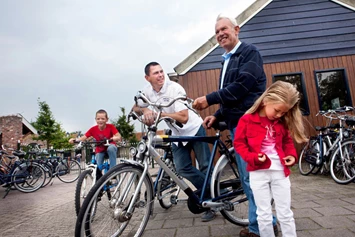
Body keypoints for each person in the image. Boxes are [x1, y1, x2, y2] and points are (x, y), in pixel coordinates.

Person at [193, 14, 278, 237]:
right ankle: (269, 222)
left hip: (249, 124)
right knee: (249, 177)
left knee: (251, 178)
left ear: (236, 29)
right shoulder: (227, 59)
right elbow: (231, 96)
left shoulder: (249, 53)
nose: (220, 33)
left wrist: (208, 99)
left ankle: (259, 229)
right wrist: (217, 114)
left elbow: (243, 86)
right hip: (237, 123)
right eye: (217, 31)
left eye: (224, 29)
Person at [132, 61, 215, 222]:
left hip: (193, 129)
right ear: (147, 77)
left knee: (205, 165)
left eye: (161, 71)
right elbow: (135, 107)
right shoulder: (147, 91)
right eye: (156, 73)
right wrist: (147, 109)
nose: (161, 75)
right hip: (177, 134)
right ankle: (210, 190)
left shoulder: (175, 89)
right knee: (182, 168)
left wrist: (159, 115)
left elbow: (183, 117)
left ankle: (211, 202)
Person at [234, 81, 308, 237]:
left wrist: (291, 156)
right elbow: (239, 144)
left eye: (283, 112)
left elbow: (287, 142)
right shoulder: (246, 120)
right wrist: (252, 157)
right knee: (263, 213)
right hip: (258, 172)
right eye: (277, 110)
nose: (279, 115)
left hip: (280, 172)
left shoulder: (281, 122)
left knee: (285, 212)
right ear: (266, 100)